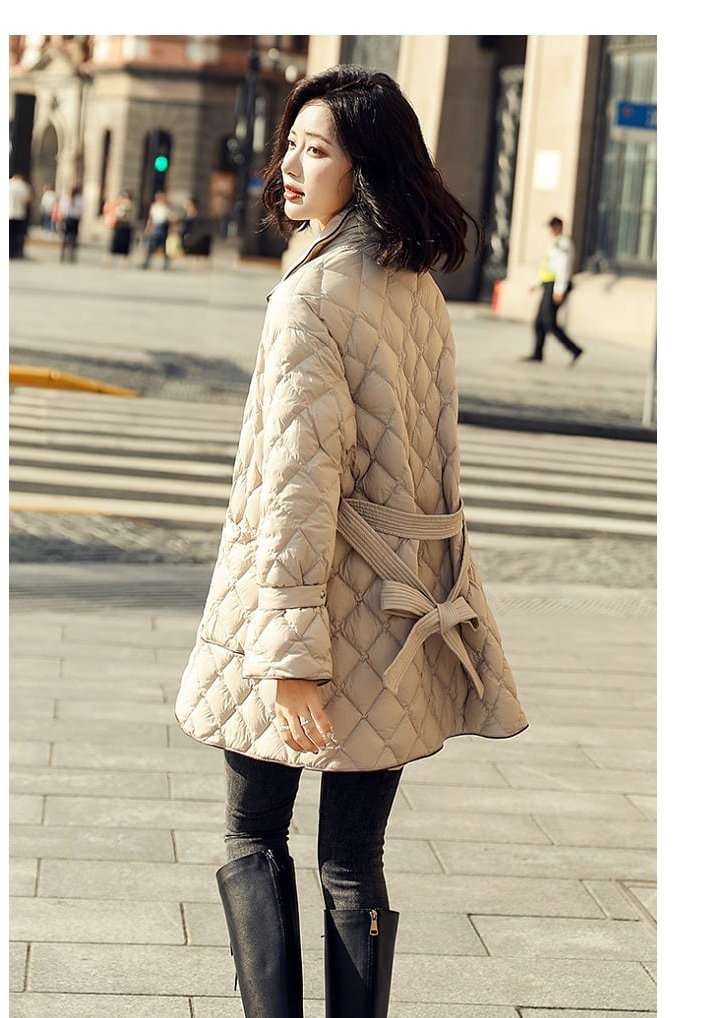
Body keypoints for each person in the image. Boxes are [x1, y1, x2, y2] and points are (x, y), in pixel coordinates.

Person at [175, 65, 528, 1018]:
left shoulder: (311, 297)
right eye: (290, 144)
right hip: (395, 614)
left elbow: (297, 489)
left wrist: (289, 659)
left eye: (317, 150)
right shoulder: (413, 280)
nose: (290, 166)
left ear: (363, 166)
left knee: (254, 834)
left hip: (312, 613)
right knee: (352, 858)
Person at [523, 215, 583, 364]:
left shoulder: (563, 244)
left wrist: (559, 289)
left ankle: (574, 349)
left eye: (552, 227)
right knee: (539, 322)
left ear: (559, 227)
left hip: (555, 286)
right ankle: (537, 353)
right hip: (548, 284)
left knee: (549, 322)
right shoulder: (555, 243)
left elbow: (563, 267)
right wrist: (536, 283)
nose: (550, 230)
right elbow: (548, 266)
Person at [104, 188, 136, 263]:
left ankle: (124, 261)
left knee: (124, 245)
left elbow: (124, 214)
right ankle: (108, 259)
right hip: (119, 225)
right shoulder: (119, 204)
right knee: (114, 243)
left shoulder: (128, 205)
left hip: (125, 225)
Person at [141, 191, 171, 269]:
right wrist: (148, 227)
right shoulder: (154, 207)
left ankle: (166, 264)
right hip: (156, 226)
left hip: (163, 227)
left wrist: (170, 229)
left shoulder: (166, 207)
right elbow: (151, 218)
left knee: (164, 247)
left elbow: (169, 219)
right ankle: (147, 263)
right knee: (151, 246)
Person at [9, 172, 32, 259]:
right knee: (18, 235)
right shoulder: (24, 186)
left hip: (9, 213)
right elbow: (28, 201)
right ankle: (17, 252)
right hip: (19, 214)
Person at [57, 186, 83, 263]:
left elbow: (62, 209)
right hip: (75, 219)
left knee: (66, 236)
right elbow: (81, 210)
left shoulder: (66, 198)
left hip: (67, 219)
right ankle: (71, 253)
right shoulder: (79, 199)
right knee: (73, 237)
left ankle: (63, 253)